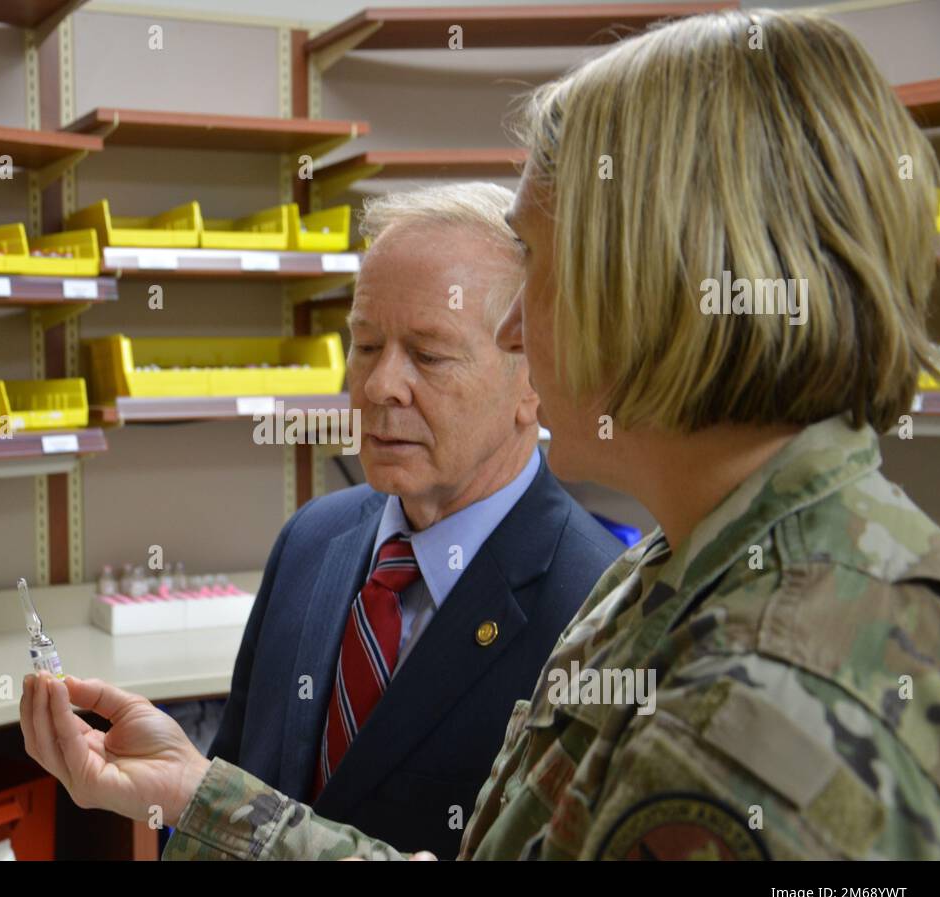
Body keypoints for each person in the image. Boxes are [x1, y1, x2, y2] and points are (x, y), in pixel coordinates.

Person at [21, 8, 940, 860]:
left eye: (542, 264)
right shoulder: (680, 571)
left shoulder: (760, 715)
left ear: (660, 284)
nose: (521, 329)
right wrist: (198, 795)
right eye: (368, 344)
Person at [203, 183, 624, 859]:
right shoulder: (311, 540)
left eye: (428, 355)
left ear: (534, 379)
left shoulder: (596, 613)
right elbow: (236, 791)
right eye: (366, 345)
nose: (379, 385)